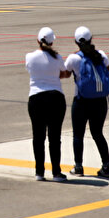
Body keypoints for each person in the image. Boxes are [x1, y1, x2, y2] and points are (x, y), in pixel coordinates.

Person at [63, 26, 109, 178]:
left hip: (82, 101)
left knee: (78, 134)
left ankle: (78, 167)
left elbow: (64, 74)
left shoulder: (74, 58)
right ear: (92, 39)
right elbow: (108, 73)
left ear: (76, 42)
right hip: (100, 101)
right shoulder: (102, 55)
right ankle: (106, 166)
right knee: (98, 133)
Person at [25, 27, 69, 182]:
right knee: (54, 137)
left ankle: (39, 172)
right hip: (55, 97)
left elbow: (32, 71)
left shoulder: (30, 57)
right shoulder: (57, 57)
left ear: (38, 40)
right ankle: (56, 172)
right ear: (52, 42)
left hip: (36, 98)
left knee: (38, 137)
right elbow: (64, 74)